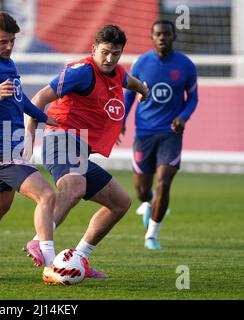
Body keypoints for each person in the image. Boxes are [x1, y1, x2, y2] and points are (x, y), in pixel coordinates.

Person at [23, 25, 149, 278]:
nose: (110, 58)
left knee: (120, 202)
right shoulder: (80, 72)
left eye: (116, 53)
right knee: (75, 187)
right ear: (94, 49)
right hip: (60, 139)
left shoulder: (117, 72)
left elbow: (130, 81)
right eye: (105, 52)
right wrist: (28, 139)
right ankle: (39, 239)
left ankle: (78, 259)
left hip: (79, 151)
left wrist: (143, 90)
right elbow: (38, 99)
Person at [0, 11, 59, 283]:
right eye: (2, 41)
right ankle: (51, 265)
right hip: (1, 150)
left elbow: (19, 97)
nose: (8, 46)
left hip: (9, 148)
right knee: (46, 196)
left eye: (12, 41)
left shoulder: (8, 62)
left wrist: (43, 116)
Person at [121, 20, 198, 250]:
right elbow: (128, 96)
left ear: (173, 36)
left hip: (170, 133)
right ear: (152, 37)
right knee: (142, 191)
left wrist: (182, 117)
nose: (162, 37)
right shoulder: (141, 63)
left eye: (166, 34)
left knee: (164, 181)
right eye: (158, 34)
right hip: (144, 132)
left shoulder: (185, 65)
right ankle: (149, 202)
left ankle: (151, 235)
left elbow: (193, 98)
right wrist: (121, 120)